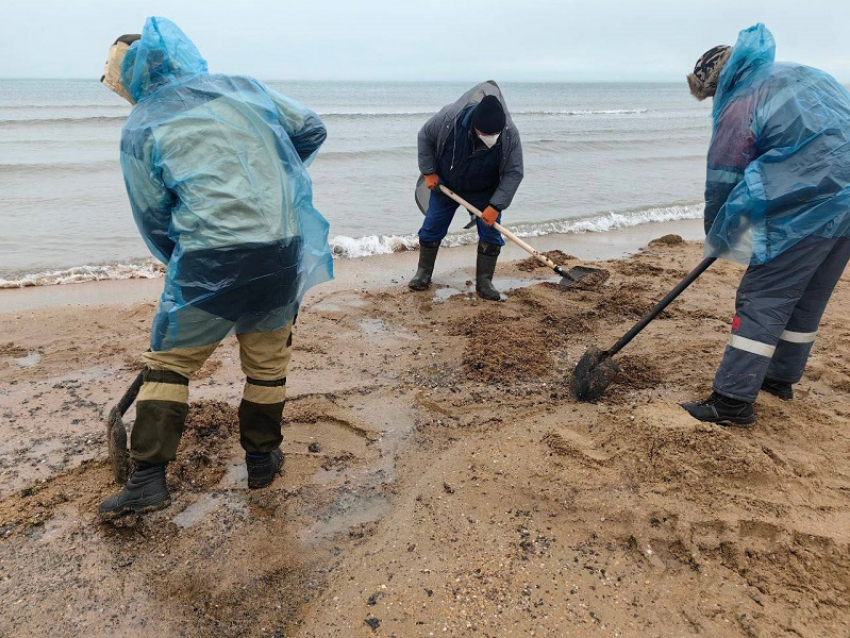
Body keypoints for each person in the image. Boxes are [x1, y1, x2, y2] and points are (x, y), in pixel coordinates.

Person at [98, 17, 333, 518]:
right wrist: (273, 176)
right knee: (268, 362)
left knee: (170, 362)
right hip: (282, 248)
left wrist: (181, 263)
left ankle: (147, 481)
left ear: (135, 77)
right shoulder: (242, 87)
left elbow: (154, 214)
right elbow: (311, 128)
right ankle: (263, 461)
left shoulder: (141, 124)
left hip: (212, 257)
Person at [680, 23, 850, 426]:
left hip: (809, 205)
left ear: (716, 83)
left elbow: (724, 177)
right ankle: (779, 380)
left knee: (764, 297)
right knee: (808, 296)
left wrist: (717, 233)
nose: (713, 104)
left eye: (709, 97)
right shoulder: (804, 74)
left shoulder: (741, 101)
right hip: (847, 202)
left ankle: (732, 402)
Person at [410, 81, 523, 300]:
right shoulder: (449, 120)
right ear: (473, 124)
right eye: (485, 133)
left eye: (495, 134)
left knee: (491, 234)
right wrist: (429, 171)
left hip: (485, 191)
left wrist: (495, 205)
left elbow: (514, 172)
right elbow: (424, 137)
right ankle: (423, 274)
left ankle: (485, 283)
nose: (491, 137)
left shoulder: (509, 133)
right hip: (447, 185)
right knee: (432, 227)